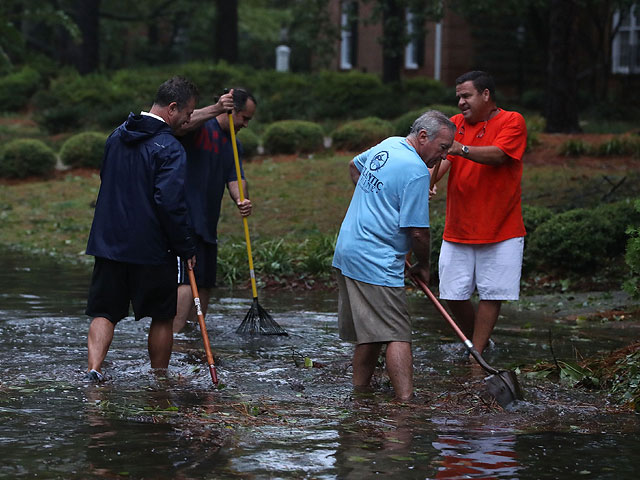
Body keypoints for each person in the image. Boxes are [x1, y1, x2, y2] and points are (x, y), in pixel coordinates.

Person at [332, 111, 455, 402]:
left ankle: (360, 394)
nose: (444, 156)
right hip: (376, 260)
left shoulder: (390, 144)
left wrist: (377, 203)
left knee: (371, 333)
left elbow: (354, 166)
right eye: (442, 148)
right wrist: (424, 266)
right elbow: (418, 233)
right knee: (398, 334)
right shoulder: (416, 171)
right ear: (423, 137)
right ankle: (406, 404)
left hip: (348, 251)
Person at [84, 76, 199, 381]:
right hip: (151, 248)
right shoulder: (170, 147)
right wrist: (186, 246)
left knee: (104, 312)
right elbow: (170, 203)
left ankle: (93, 371)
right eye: (187, 115)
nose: (188, 121)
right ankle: (159, 379)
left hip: (109, 243)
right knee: (162, 316)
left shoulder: (115, 136)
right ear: (172, 108)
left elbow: (105, 180)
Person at [432, 71, 527, 356]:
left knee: (492, 293)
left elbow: (499, 155)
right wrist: (427, 181)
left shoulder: (512, 120)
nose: (460, 102)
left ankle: (477, 353)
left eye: (466, 96)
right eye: (458, 97)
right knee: (451, 294)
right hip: (459, 226)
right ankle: (478, 345)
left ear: (486, 94)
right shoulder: (454, 124)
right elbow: (442, 162)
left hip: (502, 228)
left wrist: (462, 149)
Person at [172, 88, 256, 333]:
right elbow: (181, 124)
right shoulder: (199, 127)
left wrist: (242, 199)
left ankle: (193, 336)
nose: (246, 124)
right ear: (233, 111)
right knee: (187, 280)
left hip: (209, 224)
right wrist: (217, 108)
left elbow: (236, 177)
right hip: (184, 220)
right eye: (245, 118)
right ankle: (174, 339)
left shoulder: (233, 143)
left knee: (206, 281)